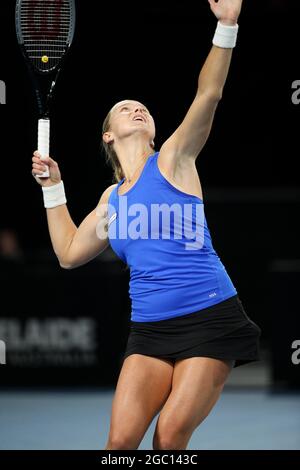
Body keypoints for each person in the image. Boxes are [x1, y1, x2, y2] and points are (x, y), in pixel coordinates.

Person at [31, 0, 261, 451]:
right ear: (107, 135)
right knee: (118, 446)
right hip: (150, 329)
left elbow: (208, 94)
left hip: (210, 318)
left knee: (169, 440)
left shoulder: (175, 159)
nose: (137, 109)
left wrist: (227, 26)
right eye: (124, 108)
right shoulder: (110, 200)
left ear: (154, 131)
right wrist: (52, 187)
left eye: (143, 109)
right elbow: (68, 254)